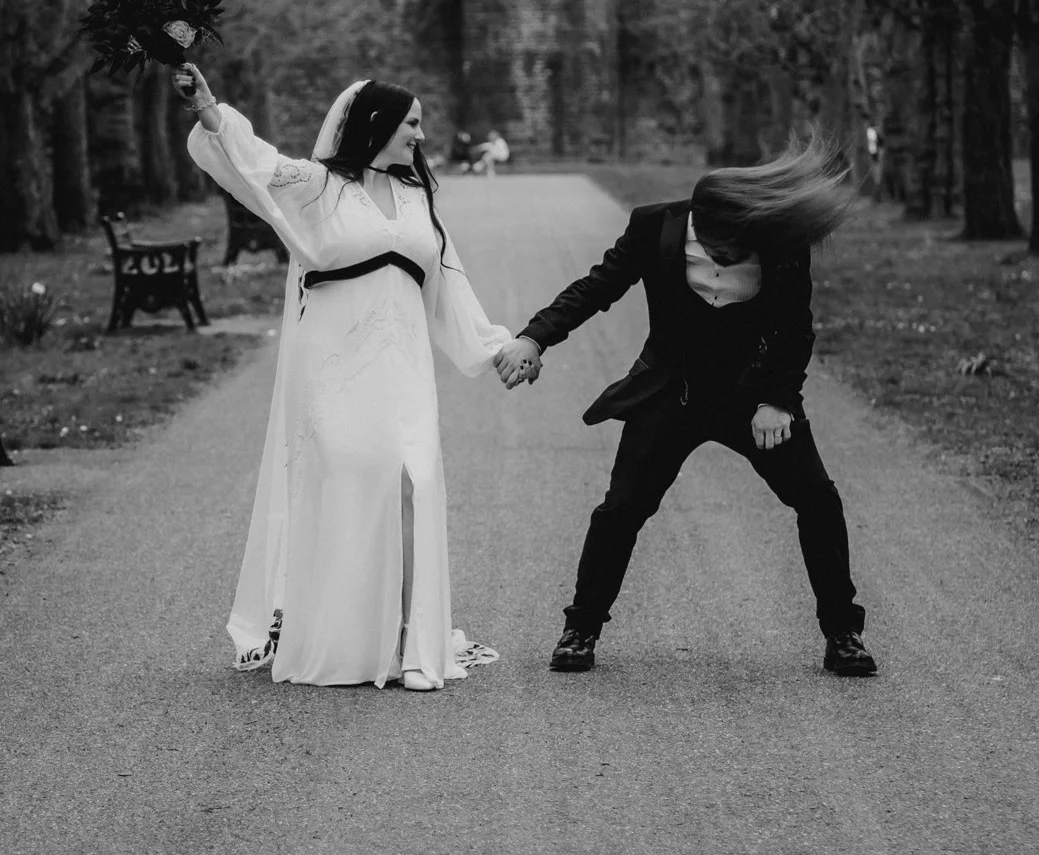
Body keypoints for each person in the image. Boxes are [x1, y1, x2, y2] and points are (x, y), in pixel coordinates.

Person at [178, 62, 512, 691]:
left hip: (404, 368)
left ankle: (412, 645)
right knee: (353, 478)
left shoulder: (419, 200)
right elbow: (253, 162)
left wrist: (498, 348)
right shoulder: (317, 185)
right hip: (332, 365)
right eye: (411, 122)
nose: (419, 134)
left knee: (412, 478)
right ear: (379, 124)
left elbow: (451, 282)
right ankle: (344, 637)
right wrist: (208, 107)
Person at [490, 137, 877, 677]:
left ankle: (844, 634)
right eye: (727, 248)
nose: (734, 257)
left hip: (754, 398)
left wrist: (777, 401)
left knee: (817, 499)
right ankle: (581, 628)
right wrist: (534, 338)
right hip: (672, 394)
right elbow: (596, 287)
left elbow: (796, 331)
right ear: (702, 225)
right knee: (622, 509)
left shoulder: (780, 242)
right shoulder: (657, 227)